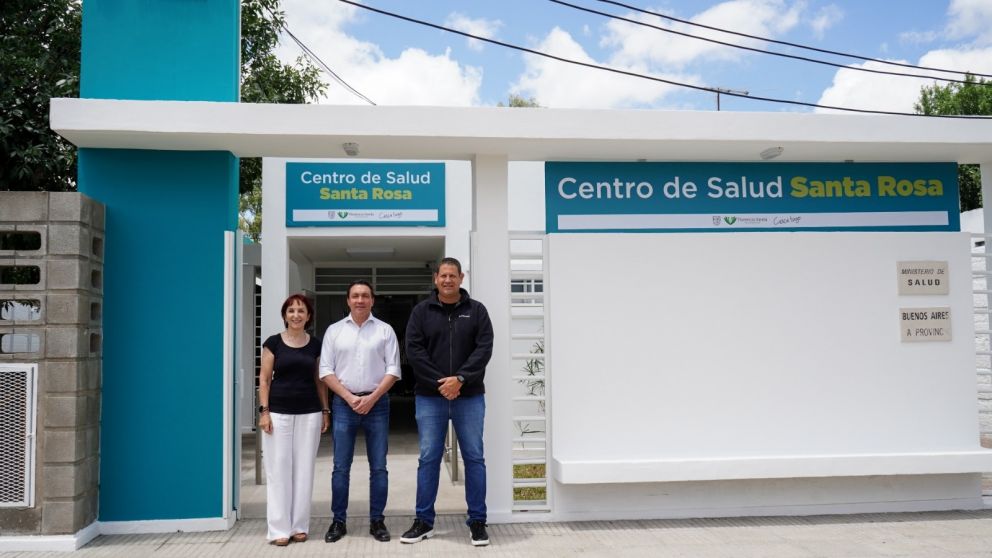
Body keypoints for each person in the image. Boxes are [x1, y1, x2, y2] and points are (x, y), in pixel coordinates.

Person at [400, 257, 494, 547]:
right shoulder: (421, 312)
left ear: (461, 278)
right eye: (443, 276)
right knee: (428, 459)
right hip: (431, 398)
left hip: (469, 396)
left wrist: (461, 379)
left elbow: (484, 348)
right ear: (435, 279)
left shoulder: (476, 311)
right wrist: (443, 383)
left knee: (474, 458)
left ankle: (477, 521)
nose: (448, 280)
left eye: (453, 275)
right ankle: (424, 521)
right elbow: (414, 351)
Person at [319, 280, 400, 543]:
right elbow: (325, 371)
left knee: (379, 467)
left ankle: (377, 521)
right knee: (341, 467)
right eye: (355, 296)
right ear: (348, 300)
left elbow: (393, 370)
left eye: (365, 296)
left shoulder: (385, 331)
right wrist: (350, 397)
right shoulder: (334, 331)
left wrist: (372, 398)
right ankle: (338, 521)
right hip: (344, 405)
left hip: (378, 405)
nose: (360, 300)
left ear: (372, 300)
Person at [258, 294, 329, 546]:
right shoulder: (273, 343)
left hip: (309, 412)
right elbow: (264, 380)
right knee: (279, 470)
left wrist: (324, 410)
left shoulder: (316, 344)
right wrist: (264, 412)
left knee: (304, 470)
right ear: (285, 315)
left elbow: (320, 381)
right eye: (291, 311)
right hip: (278, 413)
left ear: (308, 316)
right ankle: (279, 529)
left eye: (301, 311)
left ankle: (299, 526)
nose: (296, 315)